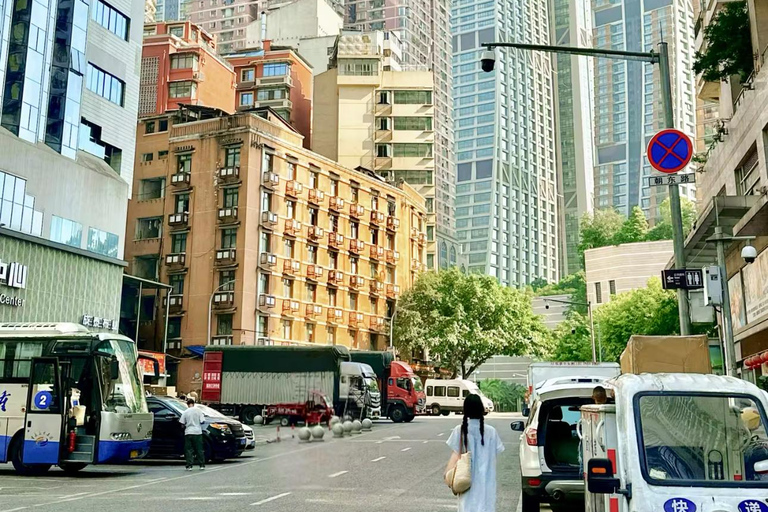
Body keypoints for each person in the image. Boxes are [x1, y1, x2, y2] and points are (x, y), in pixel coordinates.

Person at [445, 394, 505, 512]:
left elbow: (455, 455)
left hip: (466, 481)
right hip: (487, 483)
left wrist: (447, 474)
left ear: (465, 410)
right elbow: (497, 451)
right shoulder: (491, 432)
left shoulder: (460, 430)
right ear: (481, 409)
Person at [179, 398, 206, 471]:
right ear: (193, 404)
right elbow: (202, 421)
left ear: (187, 404)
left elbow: (182, 423)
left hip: (188, 432)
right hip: (197, 432)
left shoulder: (185, 412)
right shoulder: (199, 411)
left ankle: (189, 465)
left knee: (188, 450)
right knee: (199, 449)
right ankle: (201, 465)